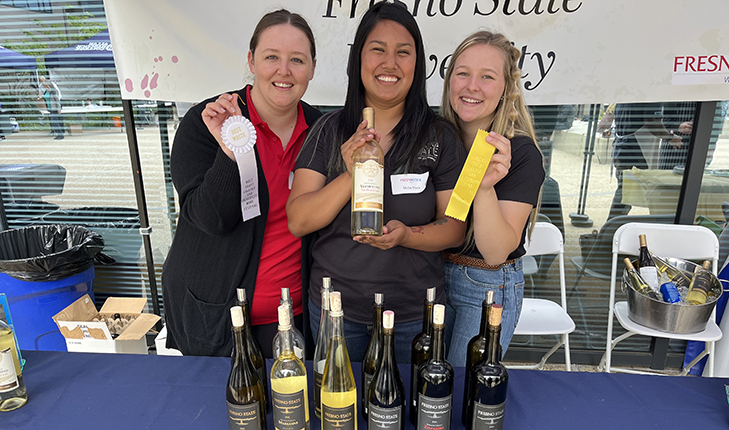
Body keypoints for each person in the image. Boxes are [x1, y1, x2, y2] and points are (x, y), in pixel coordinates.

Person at [286, 2, 466, 364]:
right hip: (336, 312)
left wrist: (406, 236)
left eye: (404, 52)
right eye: (378, 50)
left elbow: (456, 228)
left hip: (414, 316)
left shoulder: (441, 137)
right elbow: (298, 220)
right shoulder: (329, 131)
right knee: (337, 413)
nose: (390, 63)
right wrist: (352, 173)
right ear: (359, 60)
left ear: (418, 64)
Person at [162, 9, 321, 357]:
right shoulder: (207, 121)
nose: (284, 70)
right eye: (271, 57)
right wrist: (229, 152)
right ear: (251, 60)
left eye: (297, 59)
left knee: (288, 408)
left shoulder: (322, 131)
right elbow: (209, 219)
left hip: (292, 320)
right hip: (216, 318)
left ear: (312, 68)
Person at [439, 30, 545, 365]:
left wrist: (484, 188)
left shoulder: (521, 154)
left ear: (505, 89)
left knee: (461, 393)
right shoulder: (435, 137)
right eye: (463, 73)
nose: (472, 86)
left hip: (486, 286)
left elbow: (496, 251)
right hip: (431, 276)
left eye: (487, 77)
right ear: (449, 80)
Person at [608, 102, 677, 220]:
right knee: (626, 193)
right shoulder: (649, 98)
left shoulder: (625, 97)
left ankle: (610, 227)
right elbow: (653, 124)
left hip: (621, 148)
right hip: (636, 151)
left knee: (625, 192)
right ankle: (610, 228)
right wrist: (670, 138)